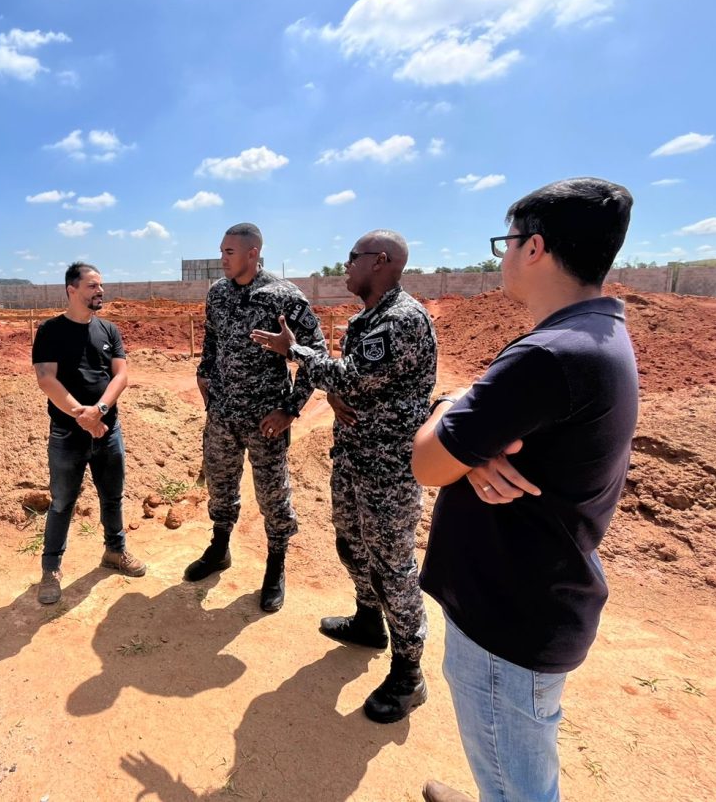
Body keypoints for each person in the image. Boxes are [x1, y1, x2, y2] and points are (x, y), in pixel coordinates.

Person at [411, 178, 638, 802]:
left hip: (509, 607)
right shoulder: (594, 333)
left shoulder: (550, 354)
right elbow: (463, 436)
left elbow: (428, 463)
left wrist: (456, 422)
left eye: (505, 243)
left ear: (533, 247)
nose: (502, 256)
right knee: (513, 750)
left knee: (517, 771)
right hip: (532, 590)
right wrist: (465, 433)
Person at [251, 229, 438, 723]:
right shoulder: (366, 320)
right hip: (355, 456)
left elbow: (351, 375)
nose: (345, 266)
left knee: (392, 565)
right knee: (351, 545)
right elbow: (351, 380)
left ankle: (408, 670)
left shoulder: (400, 319)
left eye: (351, 259)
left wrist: (298, 353)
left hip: (389, 467)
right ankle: (368, 622)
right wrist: (335, 389)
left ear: (380, 262)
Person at [186, 222, 327, 612]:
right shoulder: (217, 294)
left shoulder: (284, 296)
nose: (222, 259)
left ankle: (275, 566)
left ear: (253, 253)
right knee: (220, 484)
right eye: (221, 251)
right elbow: (211, 339)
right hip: (222, 416)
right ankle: (219, 548)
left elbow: (316, 354)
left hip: (267, 419)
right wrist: (205, 372)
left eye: (229, 252)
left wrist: (291, 409)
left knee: (272, 496)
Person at [31, 262, 146, 605]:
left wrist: (100, 412)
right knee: (63, 502)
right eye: (93, 286)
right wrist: (82, 416)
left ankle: (115, 551)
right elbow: (46, 379)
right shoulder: (50, 330)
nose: (100, 291)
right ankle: (51, 570)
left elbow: (121, 376)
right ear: (72, 290)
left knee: (112, 496)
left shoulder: (109, 330)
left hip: (108, 430)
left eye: (101, 286)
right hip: (67, 434)